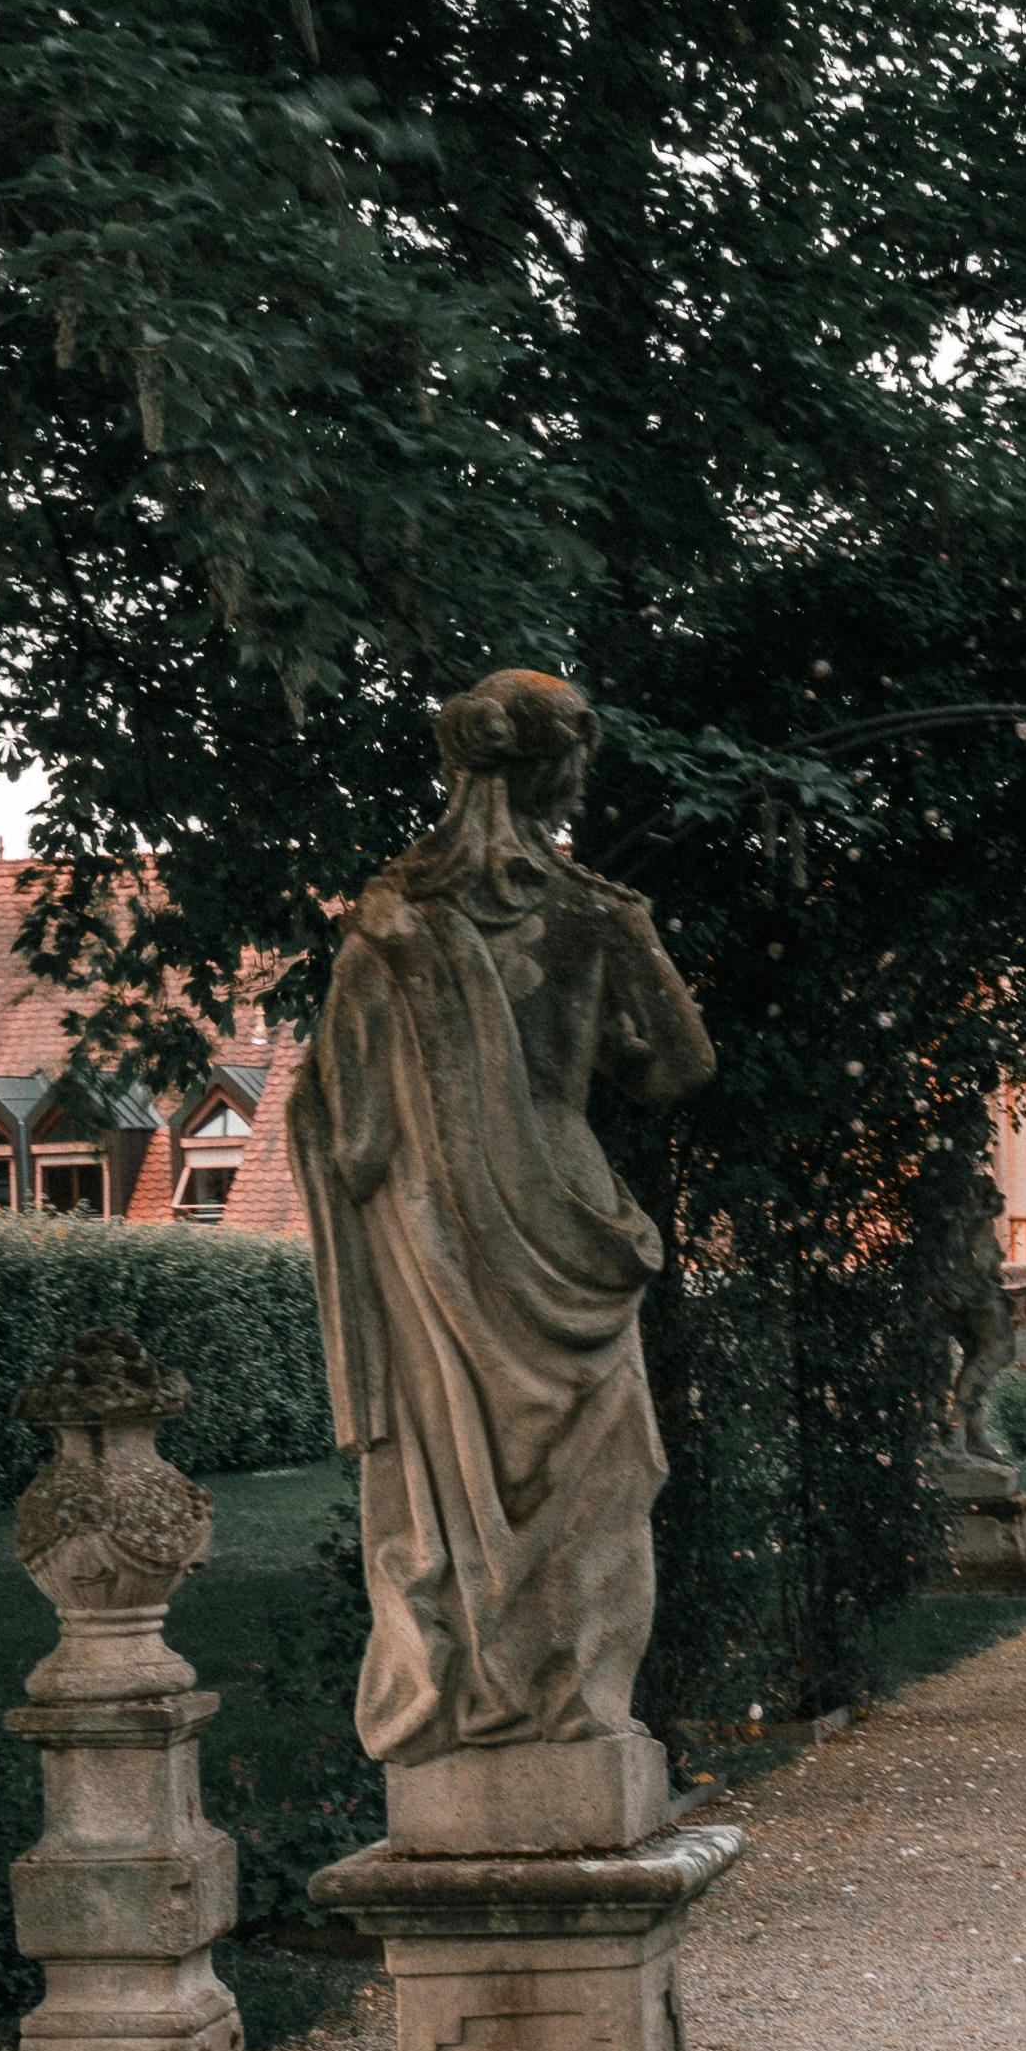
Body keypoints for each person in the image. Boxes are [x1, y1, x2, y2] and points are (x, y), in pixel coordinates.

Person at [286, 668, 716, 1763]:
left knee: (446, 1466)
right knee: (606, 1468)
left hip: (435, 1237)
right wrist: (638, 952)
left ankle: (475, 1695)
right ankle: (578, 1709)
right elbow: (677, 1068)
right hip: (565, 1216)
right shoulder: (592, 914)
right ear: (561, 766)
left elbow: (349, 1128)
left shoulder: (389, 921)